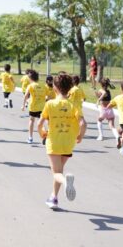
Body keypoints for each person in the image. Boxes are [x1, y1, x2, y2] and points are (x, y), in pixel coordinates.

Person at [37, 73, 86, 209]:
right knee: (59, 169)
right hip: (69, 142)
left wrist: (42, 134)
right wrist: (80, 136)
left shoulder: (50, 104)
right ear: (70, 88)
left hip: (54, 141)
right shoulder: (74, 104)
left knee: (57, 173)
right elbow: (83, 123)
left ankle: (65, 182)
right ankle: (54, 197)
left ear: (55, 87)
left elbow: (39, 124)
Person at [21, 70, 47, 144]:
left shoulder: (30, 86)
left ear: (30, 78)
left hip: (33, 106)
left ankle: (30, 138)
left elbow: (26, 96)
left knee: (32, 120)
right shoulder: (43, 85)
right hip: (42, 107)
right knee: (41, 122)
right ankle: (44, 135)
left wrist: (23, 105)